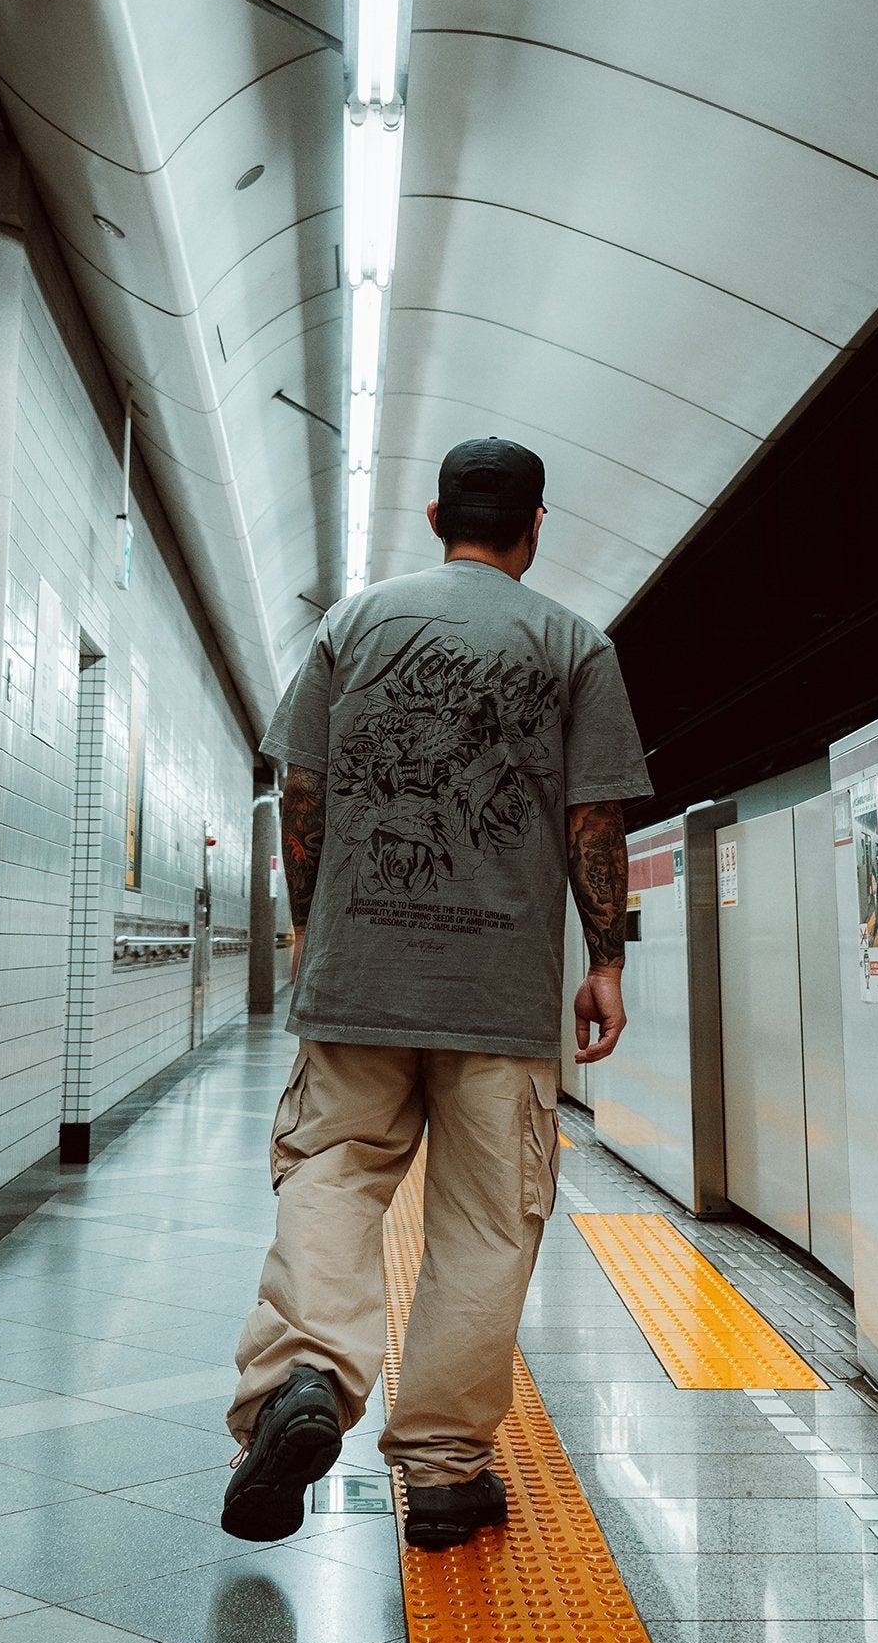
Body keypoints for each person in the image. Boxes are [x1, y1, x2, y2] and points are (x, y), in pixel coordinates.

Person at [220, 436, 652, 1549]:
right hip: (498, 998)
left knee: (330, 1173)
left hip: (357, 976)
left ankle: (305, 1378)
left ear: (431, 516)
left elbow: (300, 784)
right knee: (485, 1224)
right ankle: (447, 1473)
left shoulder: (351, 625)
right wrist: (604, 958)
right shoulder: (572, 643)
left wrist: (312, 921)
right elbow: (592, 817)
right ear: (535, 525)